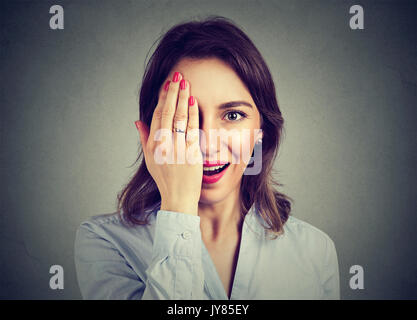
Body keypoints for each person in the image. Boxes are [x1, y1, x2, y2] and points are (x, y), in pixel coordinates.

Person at [74, 16, 340, 300]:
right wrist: (178, 209)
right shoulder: (105, 242)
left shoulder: (315, 251)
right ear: (153, 131)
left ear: (261, 130)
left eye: (233, 115)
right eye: (187, 117)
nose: (208, 145)